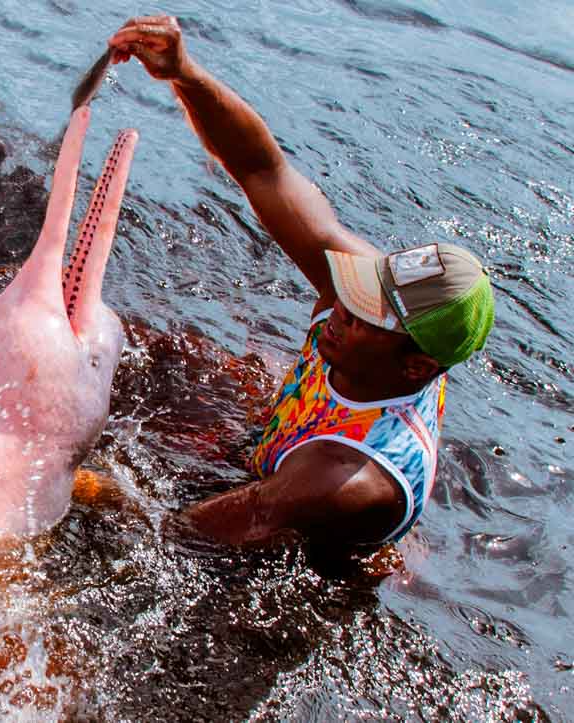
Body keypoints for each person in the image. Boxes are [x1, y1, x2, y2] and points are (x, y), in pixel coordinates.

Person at [107, 16, 495, 546]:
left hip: (299, 528)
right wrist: (184, 73)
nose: (343, 304)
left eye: (368, 311)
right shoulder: (383, 315)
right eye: (364, 284)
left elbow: (179, 533)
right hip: (288, 440)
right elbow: (263, 170)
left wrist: (81, 486)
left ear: (418, 366)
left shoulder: (344, 480)